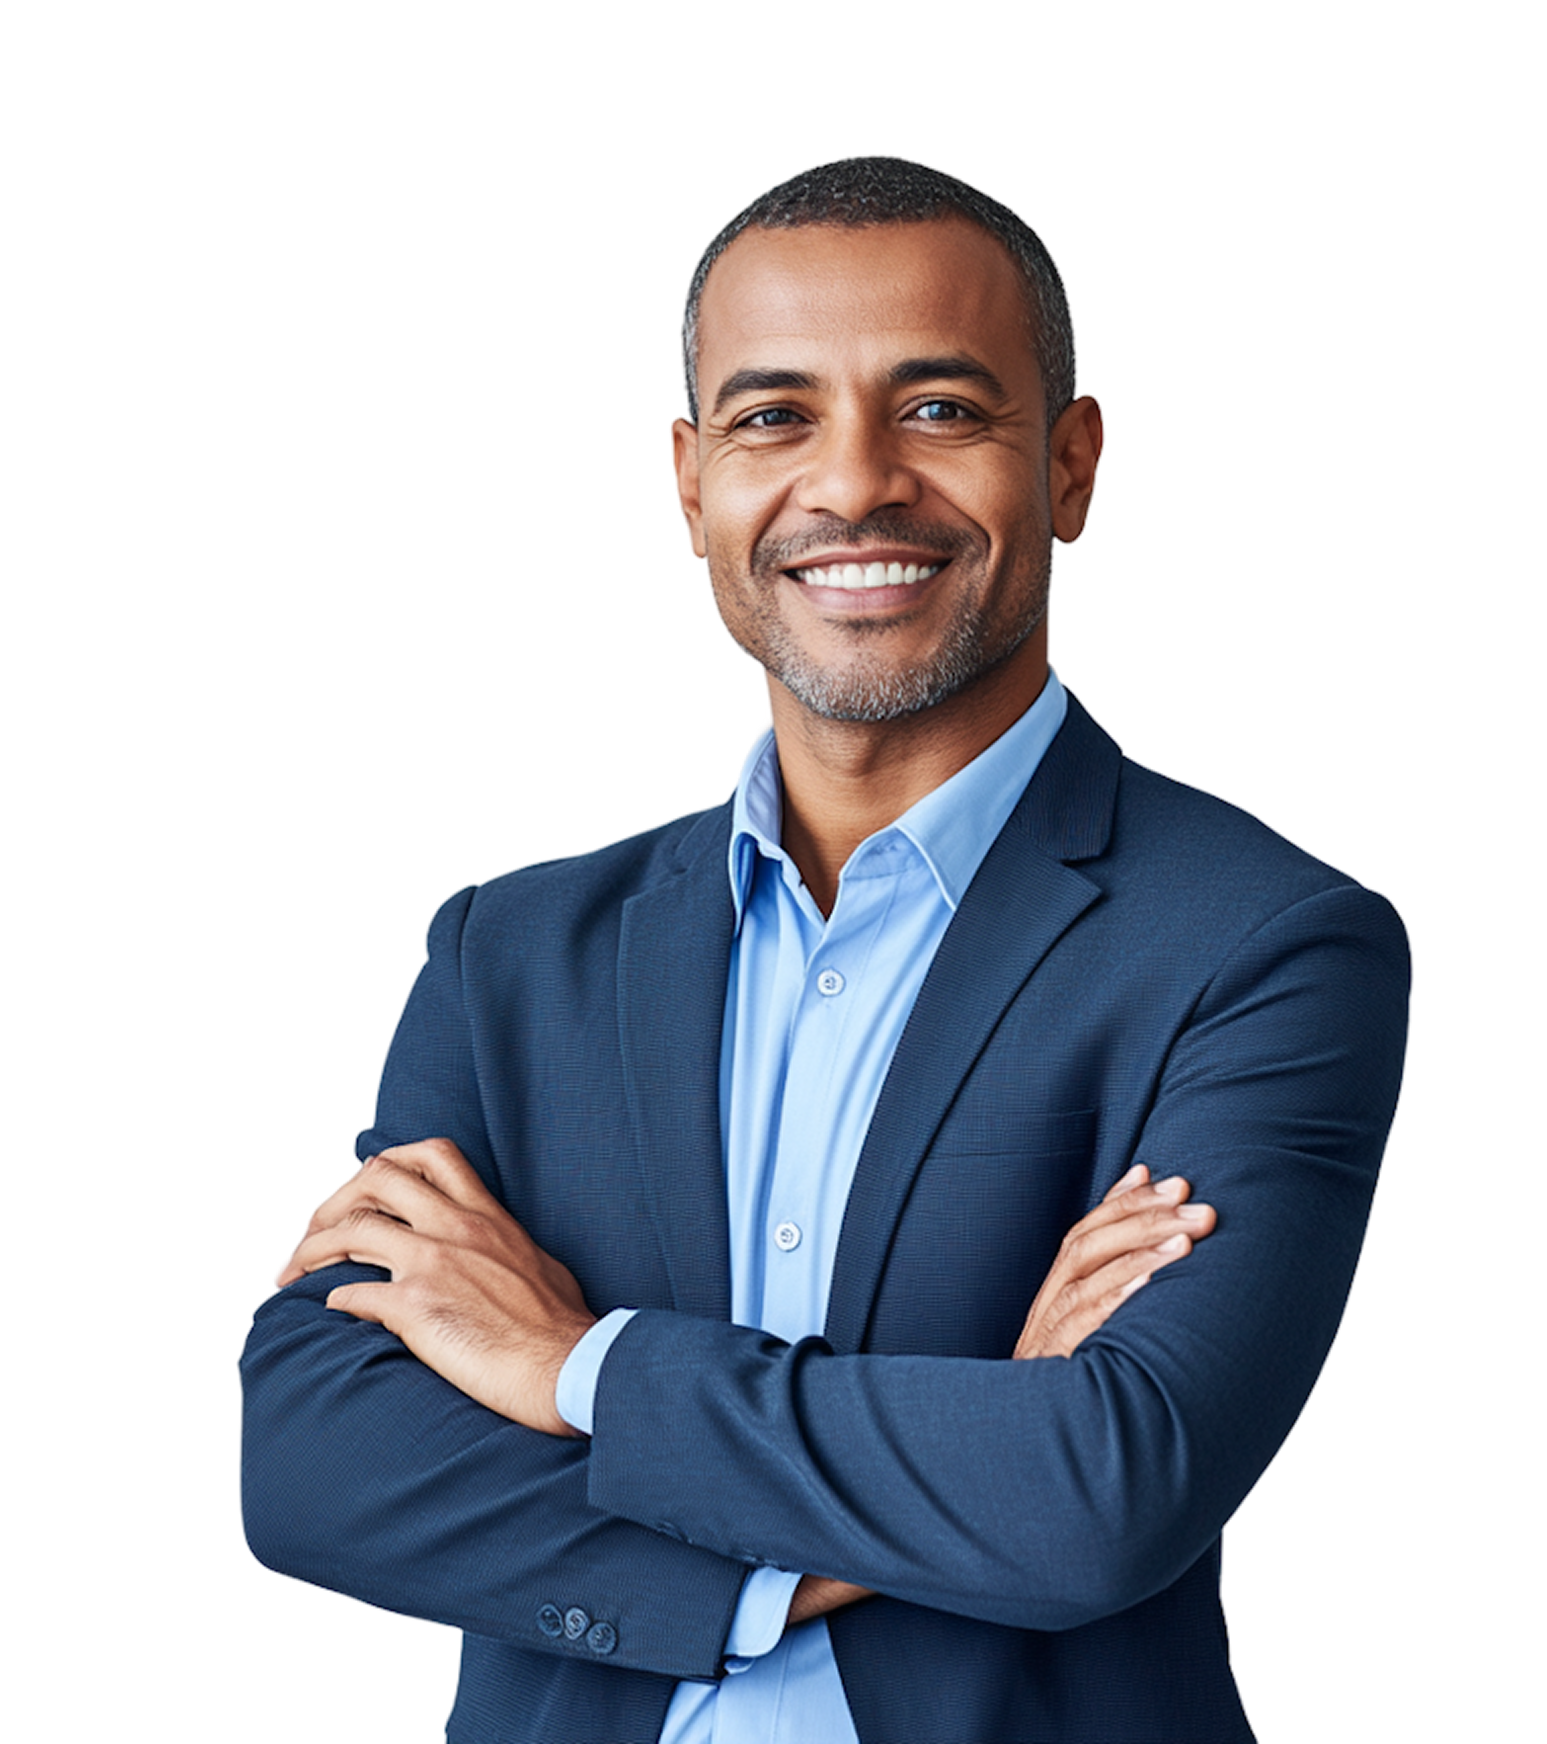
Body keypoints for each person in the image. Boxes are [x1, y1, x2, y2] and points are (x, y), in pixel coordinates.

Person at [239, 155, 1410, 1743]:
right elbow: (311, 1462)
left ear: (1070, 466)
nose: (853, 484)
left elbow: (1106, 1484)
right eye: (773, 415)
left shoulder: (1263, 942)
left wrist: (576, 1366)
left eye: (938, 408)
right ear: (689, 484)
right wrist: (855, 1540)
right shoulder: (509, 950)